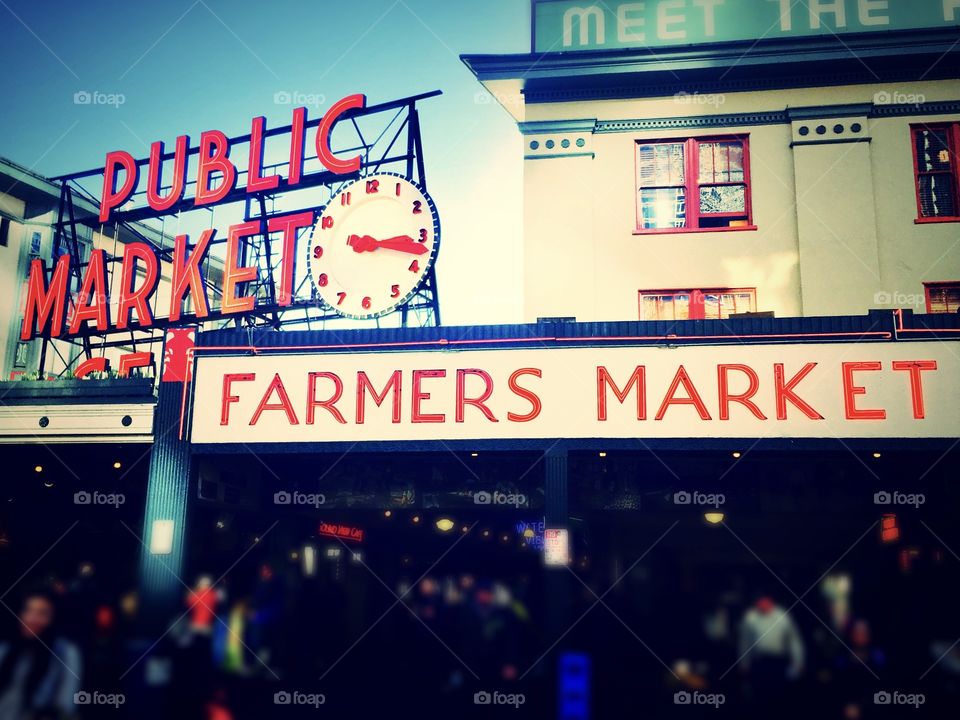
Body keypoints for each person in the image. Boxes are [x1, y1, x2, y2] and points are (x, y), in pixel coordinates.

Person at [0, 590, 82, 719]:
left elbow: (65, 706)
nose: (32, 619)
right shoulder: (7, 649)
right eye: (28, 610)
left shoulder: (65, 653)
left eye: (42, 613)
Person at [738, 596, 805, 714]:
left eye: (765, 601)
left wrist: (798, 662)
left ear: (770, 601)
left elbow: (794, 641)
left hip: (778, 663)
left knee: (778, 699)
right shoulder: (750, 617)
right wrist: (744, 663)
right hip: (759, 664)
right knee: (760, 700)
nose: (762, 604)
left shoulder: (782, 616)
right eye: (760, 601)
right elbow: (745, 643)